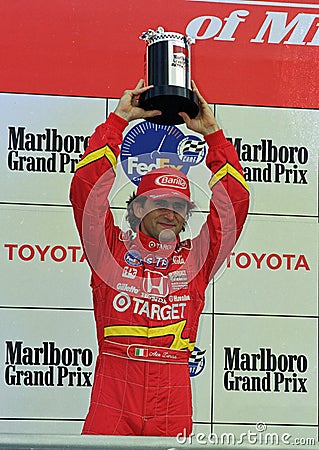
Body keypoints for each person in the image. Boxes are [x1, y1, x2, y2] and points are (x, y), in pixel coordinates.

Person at [70, 79, 249, 436]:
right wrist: (118, 121)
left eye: (179, 206)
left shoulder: (196, 260)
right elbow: (86, 191)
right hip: (114, 398)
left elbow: (234, 205)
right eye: (160, 202)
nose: (170, 212)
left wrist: (212, 134)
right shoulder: (109, 250)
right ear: (138, 207)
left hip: (173, 403)